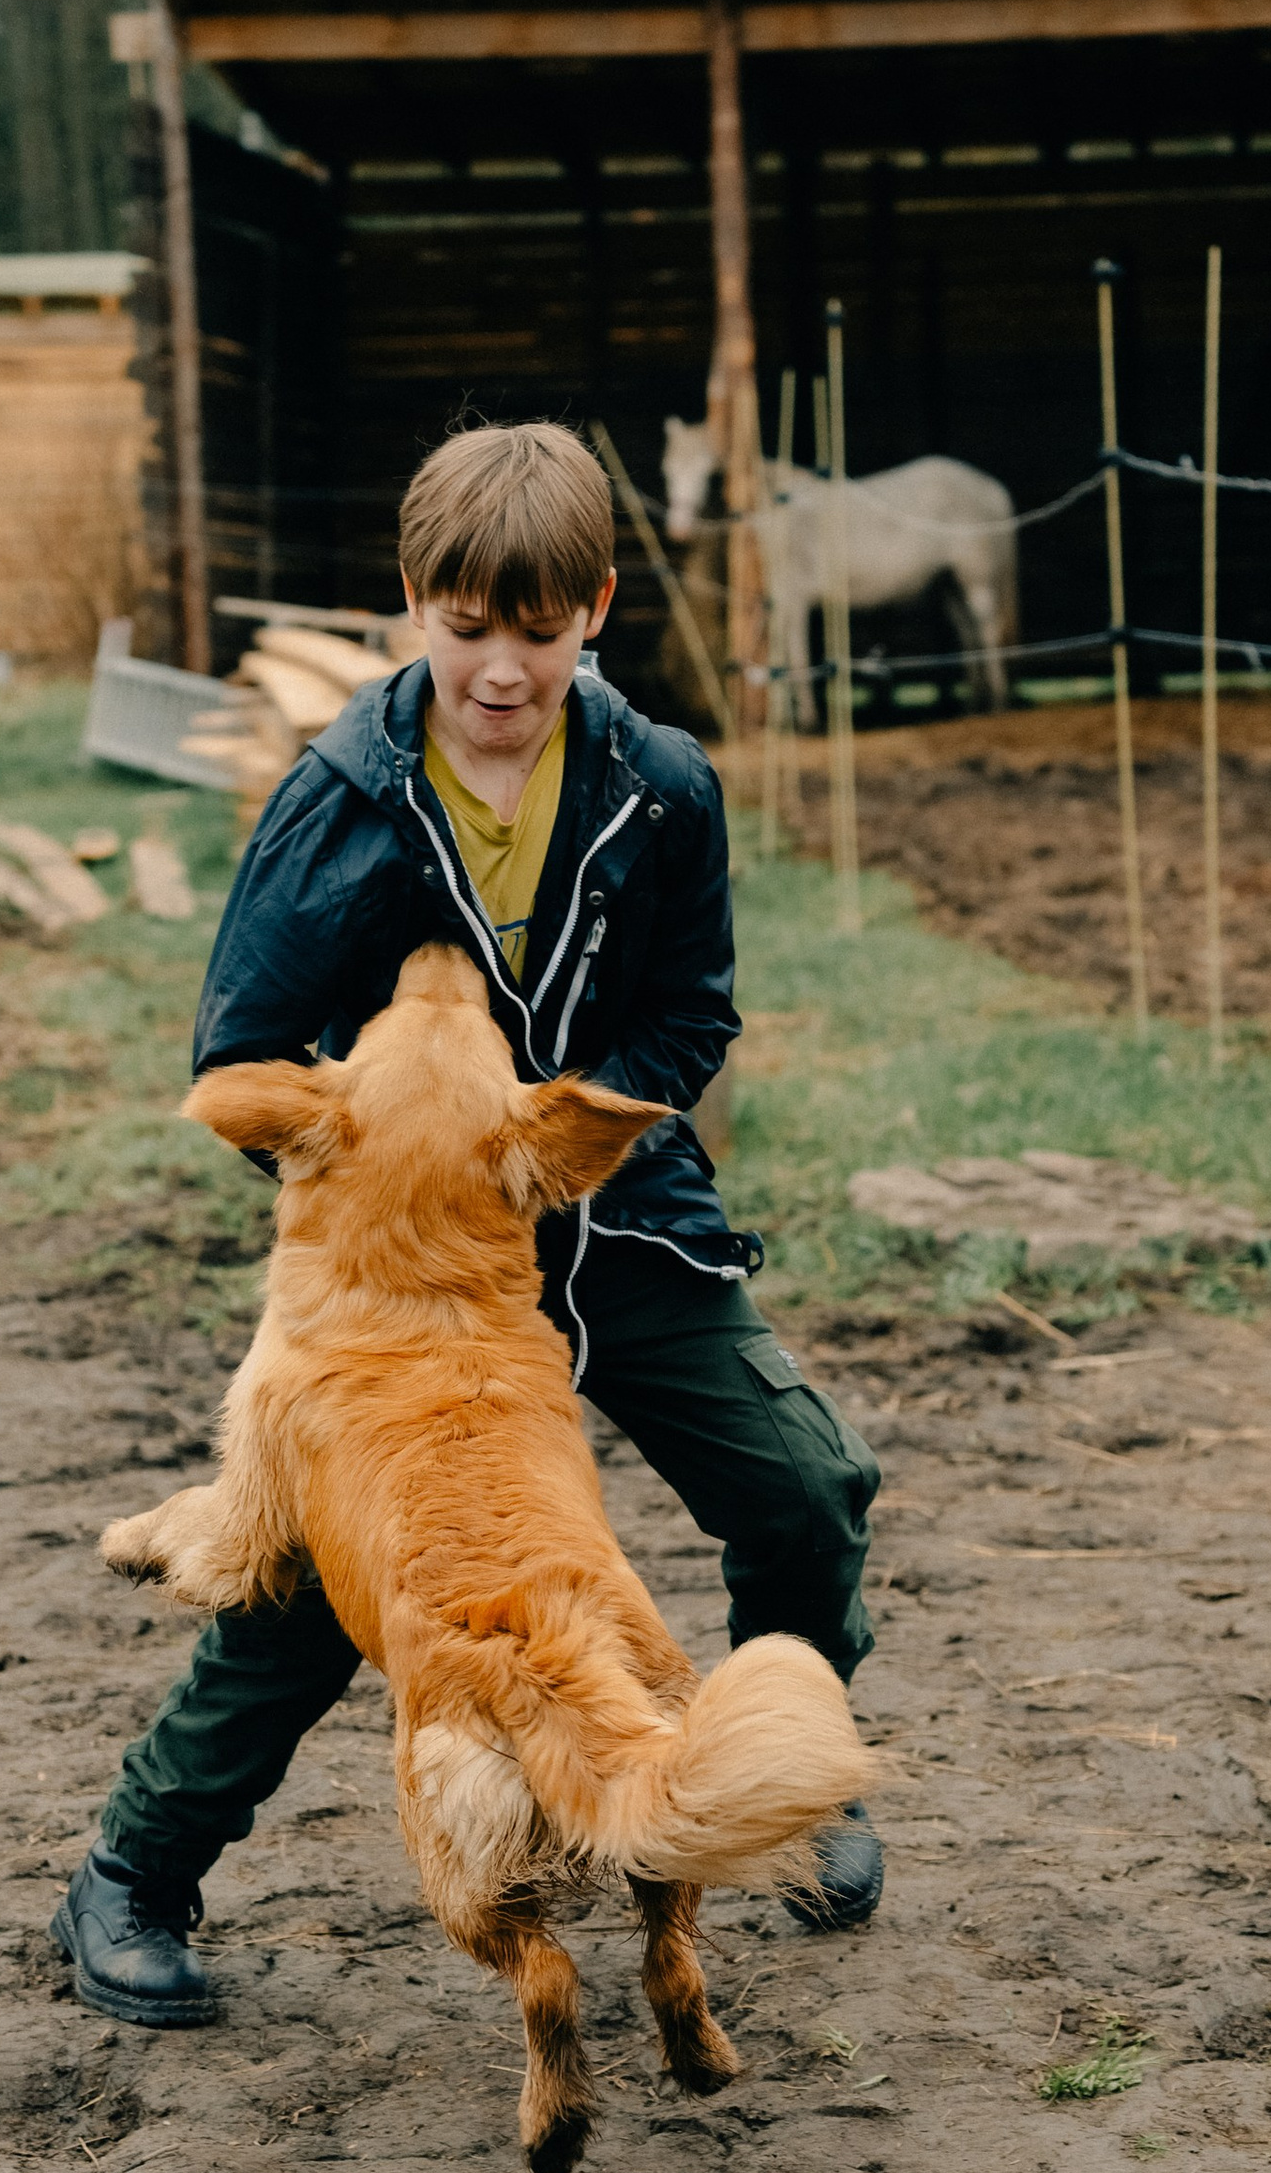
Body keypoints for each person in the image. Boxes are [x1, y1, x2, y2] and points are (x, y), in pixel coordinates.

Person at [52, 417, 884, 2028]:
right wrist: (394, 1207)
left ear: (598, 610)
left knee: (803, 1482)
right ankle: (133, 1875)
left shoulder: (658, 787)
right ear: (412, 603)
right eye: (466, 625)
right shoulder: (338, 805)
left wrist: (550, 1147)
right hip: (411, 1283)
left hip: (614, 1218)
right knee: (320, 1596)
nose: (501, 667)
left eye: (539, 628)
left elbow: (691, 1020)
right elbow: (242, 1050)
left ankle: (783, 1775)